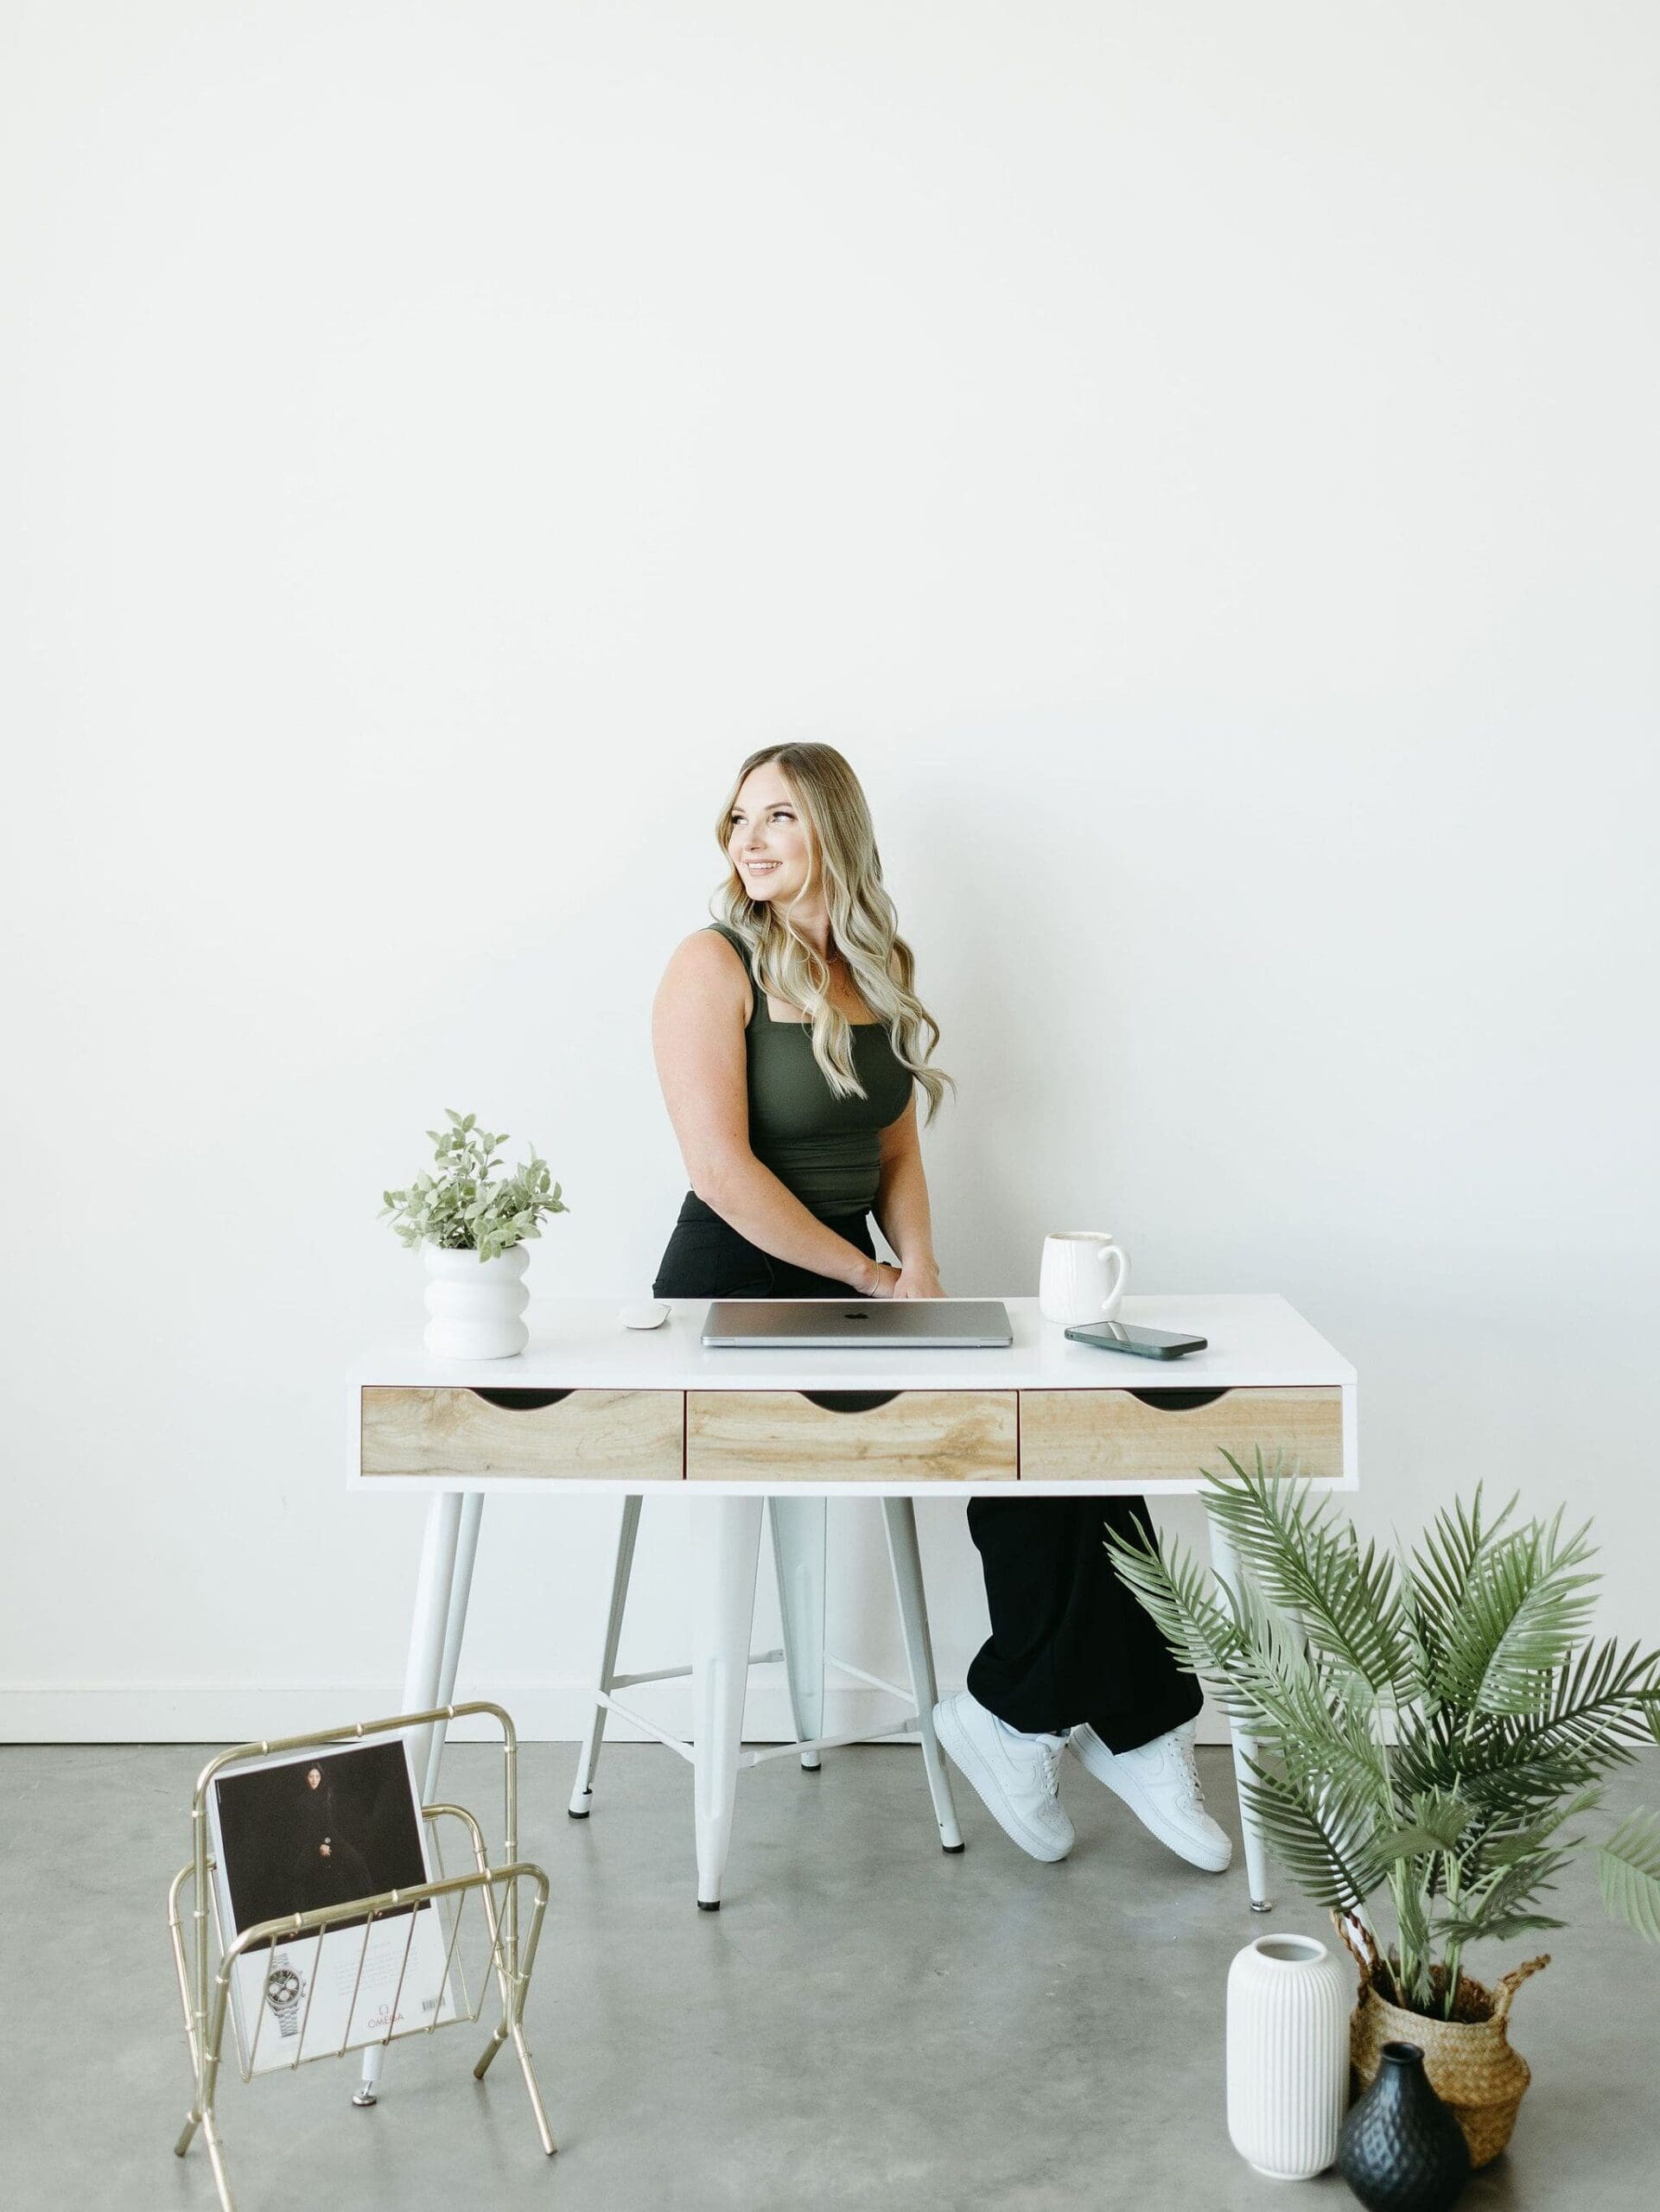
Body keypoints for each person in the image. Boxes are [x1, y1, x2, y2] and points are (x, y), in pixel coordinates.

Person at [649, 742, 1229, 1872]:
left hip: (852, 1284)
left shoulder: (870, 969)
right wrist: (870, 1278)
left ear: (832, 833)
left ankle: (1064, 1720)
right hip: (736, 1287)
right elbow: (722, 1172)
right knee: (1005, 1432)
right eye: (738, 820)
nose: (748, 842)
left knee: (1064, 1417)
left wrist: (917, 1268)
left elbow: (894, 1149)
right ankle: (1088, 1717)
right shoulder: (710, 965)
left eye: (776, 818)